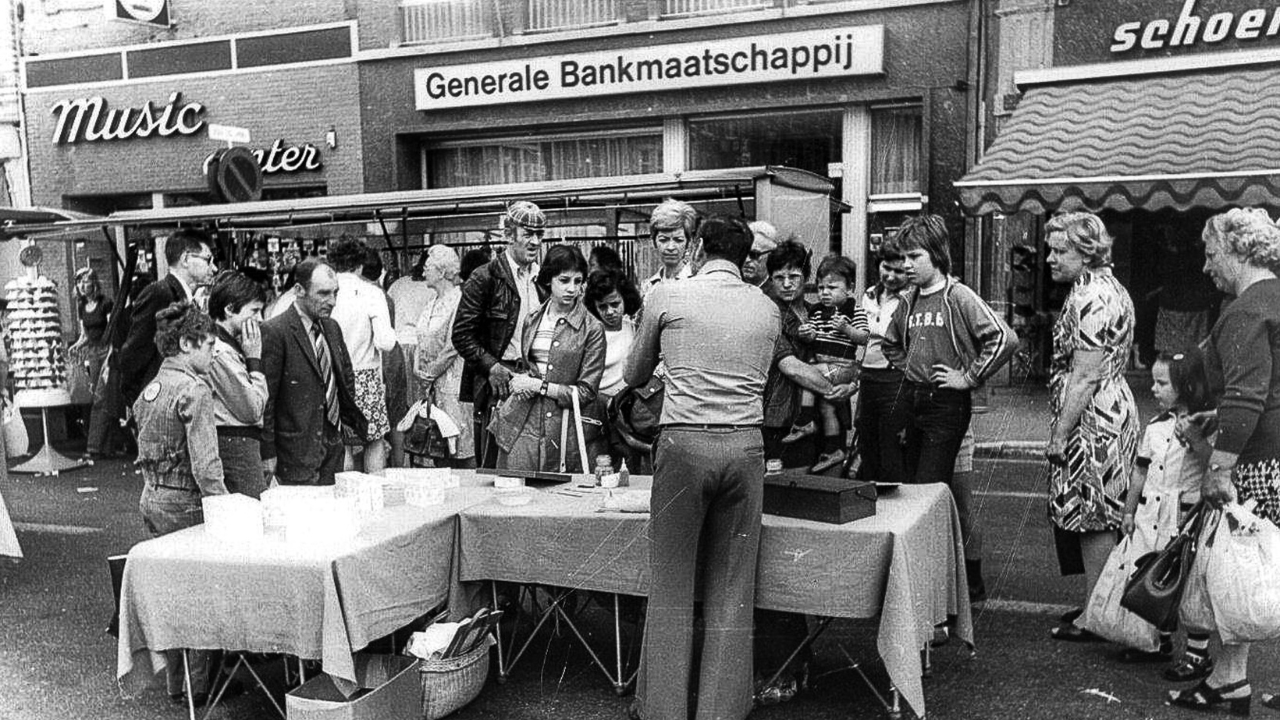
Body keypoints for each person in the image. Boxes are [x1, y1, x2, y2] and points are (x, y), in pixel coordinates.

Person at [625, 215, 779, 720]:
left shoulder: (669, 296)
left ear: (696, 247)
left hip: (685, 442)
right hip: (746, 445)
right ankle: (722, 708)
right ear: (745, 255)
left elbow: (633, 373)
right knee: (733, 581)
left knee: (672, 579)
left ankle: (663, 708)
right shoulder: (767, 307)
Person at [1170, 208, 1280, 714]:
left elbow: (1248, 395)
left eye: (1211, 252)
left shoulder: (1245, 309)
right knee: (1252, 568)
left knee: (1245, 565)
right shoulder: (1273, 298)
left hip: (1262, 460)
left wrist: (1219, 466)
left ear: (1237, 249)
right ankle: (1228, 676)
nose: (1206, 265)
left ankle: (1229, 677)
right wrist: (1223, 414)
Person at [883, 215, 1017, 603]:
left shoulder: (958, 296)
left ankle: (953, 583)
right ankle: (940, 580)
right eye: (902, 258)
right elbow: (890, 343)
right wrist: (912, 366)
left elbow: (1003, 338)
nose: (906, 265)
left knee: (936, 494)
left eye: (914, 256)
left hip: (948, 405)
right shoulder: (907, 300)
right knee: (914, 491)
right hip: (914, 399)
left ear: (937, 255)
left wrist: (970, 377)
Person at [1039, 211, 1138, 641]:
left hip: (1094, 416)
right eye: (1050, 249)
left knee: (1095, 513)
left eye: (1060, 251)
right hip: (1105, 411)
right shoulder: (1103, 288)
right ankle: (1098, 603)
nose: (1049, 258)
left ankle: (1098, 614)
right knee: (1093, 510)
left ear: (1087, 253)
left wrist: (1060, 434)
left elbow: (1086, 374)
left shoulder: (1091, 297)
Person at [132, 301, 225, 707]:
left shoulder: (150, 389)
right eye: (208, 345)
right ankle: (198, 685)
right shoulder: (195, 390)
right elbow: (206, 465)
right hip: (186, 501)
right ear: (187, 344)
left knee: (169, 596)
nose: (213, 353)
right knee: (199, 595)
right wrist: (224, 508)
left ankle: (175, 682)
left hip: (151, 495)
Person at [1100, 351, 1214, 671]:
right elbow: (1140, 469)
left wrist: (1196, 440)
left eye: (1162, 383)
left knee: (1189, 583)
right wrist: (1128, 511)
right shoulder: (1155, 426)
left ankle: (1197, 652)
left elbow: (1213, 467)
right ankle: (1156, 640)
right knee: (1152, 574)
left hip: (1185, 516)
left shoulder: (1203, 426)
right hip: (1151, 516)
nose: (1153, 388)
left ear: (1187, 386)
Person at [490, 245, 605, 472]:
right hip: (521, 418)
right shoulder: (532, 318)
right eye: (564, 280)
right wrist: (521, 380)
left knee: (554, 496)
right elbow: (532, 367)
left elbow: (586, 392)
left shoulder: (592, 328)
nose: (571, 288)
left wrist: (538, 386)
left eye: (577, 281)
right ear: (548, 280)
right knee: (514, 488)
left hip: (563, 425)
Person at [453, 201, 549, 467]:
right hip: (498, 383)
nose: (534, 241)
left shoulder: (543, 278)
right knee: (495, 466)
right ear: (509, 235)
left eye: (539, 234)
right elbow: (461, 334)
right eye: (527, 233)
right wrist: (491, 366)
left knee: (531, 463)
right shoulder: (484, 277)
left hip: (533, 381)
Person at [260, 260, 367, 486]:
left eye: (335, 293)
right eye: (324, 293)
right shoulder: (275, 331)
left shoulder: (331, 327)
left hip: (332, 444)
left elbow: (344, 376)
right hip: (296, 450)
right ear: (299, 290)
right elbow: (267, 400)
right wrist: (268, 452)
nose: (333, 301)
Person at [761, 240, 858, 464]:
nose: (786, 284)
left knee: (830, 485)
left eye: (793, 276)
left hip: (830, 413)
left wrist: (852, 384)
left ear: (806, 278)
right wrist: (836, 388)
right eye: (778, 277)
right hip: (788, 417)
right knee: (794, 486)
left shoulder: (819, 311)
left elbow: (849, 352)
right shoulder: (768, 314)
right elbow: (792, 368)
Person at [783, 254, 869, 472]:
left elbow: (864, 337)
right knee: (827, 408)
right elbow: (813, 338)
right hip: (825, 365)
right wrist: (807, 333)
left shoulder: (853, 310)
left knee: (808, 373)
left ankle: (805, 420)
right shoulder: (817, 312)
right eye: (821, 288)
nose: (825, 293)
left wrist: (846, 329)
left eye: (832, 288)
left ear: (849, 288)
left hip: (842, 366)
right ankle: (833, 450)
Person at [118, 228, 218, 407]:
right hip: (162, 405)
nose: (214, 268)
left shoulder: (183, 297)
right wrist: (143, 404)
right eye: (208, 259)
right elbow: (132, 355)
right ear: (186, 259)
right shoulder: (160, 293)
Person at [328, 236, 396, 473]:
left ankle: (345, 497)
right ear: (360, 265)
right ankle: (374, 497)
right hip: (365, 376)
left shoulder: (326, 291)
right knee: (374, 440)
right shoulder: (372, 293)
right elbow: (385, 342)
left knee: (341, 441)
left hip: (332, 376)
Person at [205, 271, 269, 498]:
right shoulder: (220, 352)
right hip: (234, 441)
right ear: (229, 309)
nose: (260, 319)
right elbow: (252, 409)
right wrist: (254, 360)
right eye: (254, 311)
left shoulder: (225, 346)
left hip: (237, 440)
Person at [414, 245, 475, 468]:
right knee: (437, 442)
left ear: (441, 272)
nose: (422, 272)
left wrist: (429, 373)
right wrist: (417, 368)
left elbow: (454, 345)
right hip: (431, 383)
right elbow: (419, 337)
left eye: (427, 267)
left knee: (458, 441)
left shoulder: (459, 300)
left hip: (453, 381)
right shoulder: (430, 303)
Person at [857, 240, 912, 484]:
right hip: (867, 377)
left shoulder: (910, 299)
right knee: (867, 442)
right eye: (886, 268)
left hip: (894, 378)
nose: (890, 276)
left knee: (891, 445)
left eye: (898, 271)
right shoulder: (868, 294)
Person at [584, 268, 642, 467]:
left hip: (628, 411)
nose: (610, 312)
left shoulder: (633, 327)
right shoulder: (592, 333)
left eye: (615, 304)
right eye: (603, 307)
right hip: (599, 411)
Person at [362, 247, 408, 467]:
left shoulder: (367, 294)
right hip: (394, 357)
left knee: (377, 430)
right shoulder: (384, 295)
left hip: (379, 359)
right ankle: (398, 468)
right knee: (396, 418)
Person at [387, 249, 438, 397]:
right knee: (420, 397)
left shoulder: (398, 284)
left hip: (396, 345)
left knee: (398, 396)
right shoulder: (433, 289)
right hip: (420, 347)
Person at [68, 268, 113, 437]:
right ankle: (100, 437)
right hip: (93, 352)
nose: (81, 285)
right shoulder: (81, 307)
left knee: (108, 392)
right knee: (96, 395)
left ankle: (112, 437)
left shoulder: (106, 303)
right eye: (79, 282)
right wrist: (76, 346)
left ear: (93, 283)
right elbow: (85, 335)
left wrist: (110, 352)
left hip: (107, 350)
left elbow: (112, 329)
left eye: (85, 281)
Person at [642, 198, 698, 299]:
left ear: (688, 242)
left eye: (678, 240)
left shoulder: (697, 282)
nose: (671, 247)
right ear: (653, 242)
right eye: (663, 240)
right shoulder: (648, 287)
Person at [745, 220, 779, 290]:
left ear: (771, 257)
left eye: (754, 255)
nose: (746, 260)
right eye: (744, 253)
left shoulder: (778, 295)